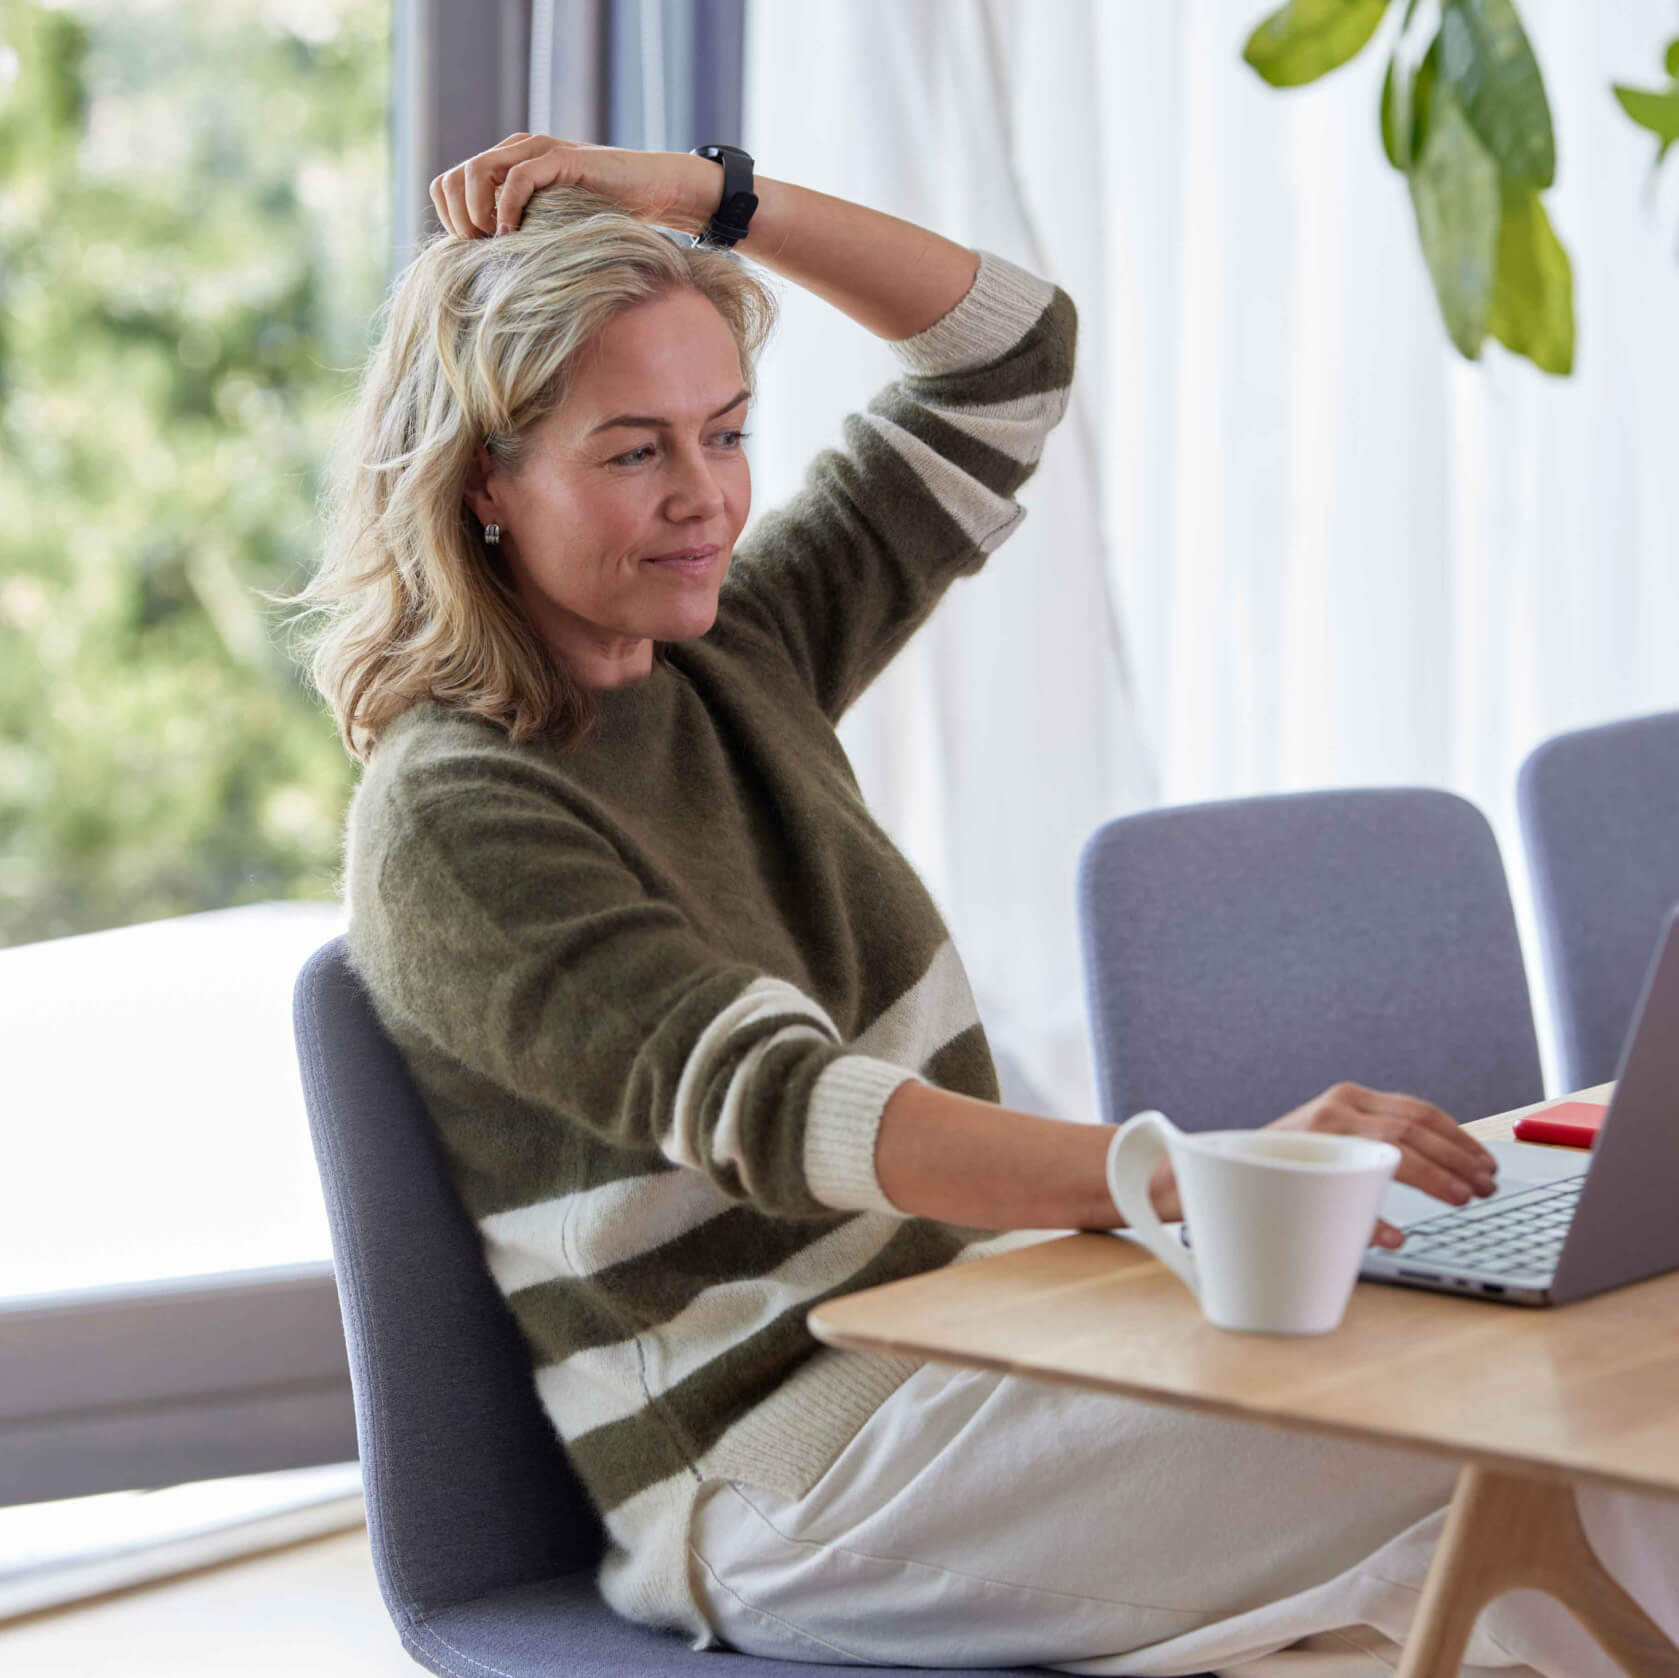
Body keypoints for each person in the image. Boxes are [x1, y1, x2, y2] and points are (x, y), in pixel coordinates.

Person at [297, 137, 1679, 1676]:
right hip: (789, 1465)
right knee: (1522, 1461)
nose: (707, 499)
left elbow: (1008, 358)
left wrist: (707, 199)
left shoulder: (729, 653)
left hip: (999, 1338)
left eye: (729, 431)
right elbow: (798, 1110)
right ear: (481, 478)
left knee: (1553, 1477)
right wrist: (1200, 1176)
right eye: (635, 451)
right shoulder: (450, 811)